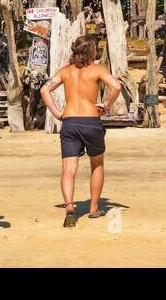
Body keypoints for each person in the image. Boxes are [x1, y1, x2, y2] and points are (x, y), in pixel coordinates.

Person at [41, 36, 122, 227]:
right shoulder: (97, 70)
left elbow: (45, 90)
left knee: (68, 169)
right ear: (91, 51)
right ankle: (93, 208)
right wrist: (106, 104)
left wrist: (57, 113)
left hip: (69, 122)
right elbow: (116, 86)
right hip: (90, 120)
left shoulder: (66, 71)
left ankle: (69, 205)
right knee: (97, 164)